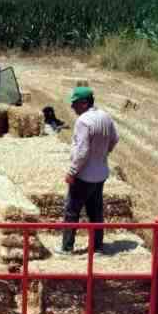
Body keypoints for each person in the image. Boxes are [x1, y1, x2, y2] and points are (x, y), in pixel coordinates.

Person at [58, 86, 119, 255]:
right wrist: (103, 153)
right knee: (96, 211)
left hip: (84, 176)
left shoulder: (84, 121)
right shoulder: (105, 116)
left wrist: (72, 172)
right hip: (101, 173)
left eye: (75, 103)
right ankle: (97, 246)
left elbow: (82, 151)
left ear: (84, 103)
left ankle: (66, 248)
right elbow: (115, 139)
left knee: (72, 211)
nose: (72, 107)